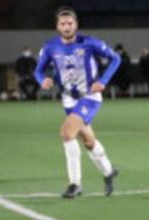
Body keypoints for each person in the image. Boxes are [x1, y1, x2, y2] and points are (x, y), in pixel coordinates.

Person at [33, 7, 120, 199]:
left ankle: (75, 183)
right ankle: (108, 171)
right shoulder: (50, 47)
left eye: (70, 23)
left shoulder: (89, 43)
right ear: (57, 26)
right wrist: (42, 80)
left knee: (67, 132)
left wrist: (103, 81)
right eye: (63, 24)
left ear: (76, 25)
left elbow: (116, 58)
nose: (66, 27)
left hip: (89, 96)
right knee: (88, 141)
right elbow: (38, 71)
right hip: (69, 99)